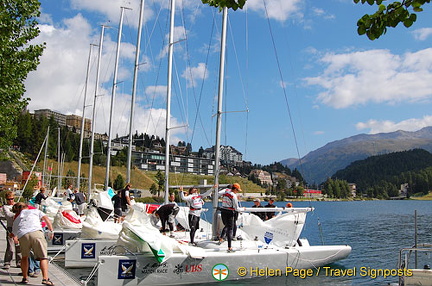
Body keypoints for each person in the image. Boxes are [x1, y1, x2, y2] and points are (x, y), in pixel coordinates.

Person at [11, 202, 54, 285]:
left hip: (23, 235)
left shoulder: (17, 217)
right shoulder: (35, 211)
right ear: (27, 206)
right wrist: (51, 231)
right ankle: (45, 278)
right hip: (36, 233)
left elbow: (14, 233)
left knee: (24, 257)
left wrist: (11, 235)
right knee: (43, 257)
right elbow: (46, 219)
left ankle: (25, 278)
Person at [218, 183, 241, 252]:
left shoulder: (226, 192)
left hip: (223, 211)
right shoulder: (233, 196)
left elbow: (218, 193)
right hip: (230, 212)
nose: (238, 192)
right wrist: (242, 209)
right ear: (235, 189)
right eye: (238, 190)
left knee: (226, 226)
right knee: (230, 228)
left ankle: (221, 238)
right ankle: (229, 247)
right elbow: (236, 207)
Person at [1, 191, 22, 269]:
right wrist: (18, 214)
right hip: (11, 227)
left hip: (19, 227)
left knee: (19, 246)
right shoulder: (5, 207)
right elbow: (9, 215)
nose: (11, 201)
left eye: (12, 199)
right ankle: (7, 262)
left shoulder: (17, 205)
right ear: (6, 199)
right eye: (9, 199)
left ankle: (19, 262)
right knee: (10, 246)